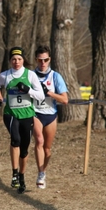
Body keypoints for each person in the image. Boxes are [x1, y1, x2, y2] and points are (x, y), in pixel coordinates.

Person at [0, 47, 45, 194]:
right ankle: (14, 173)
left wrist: (28, 90)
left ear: (23, 60)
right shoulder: (5, 75)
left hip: (27, 114)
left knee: (24, 149)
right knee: (15, 140)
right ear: (10, 61)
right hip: (11, 113)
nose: (16, 62)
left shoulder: (31, 75)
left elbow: (41, 96)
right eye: (14, 59)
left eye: (19, 59)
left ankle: (21, 176)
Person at [32, 45, 68, 189]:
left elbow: (65, 100)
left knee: (47, 148)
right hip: (35, 113)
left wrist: (50, 94)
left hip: (51, 115)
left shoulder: (55, 76)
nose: (43, 63)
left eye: (45, 60)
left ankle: (43, 171)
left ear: (49, 59)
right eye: (40, 60)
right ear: (36, 60)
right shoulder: (30, 75)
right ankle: (40, 173)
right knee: (39, 141)